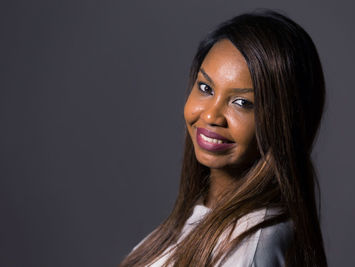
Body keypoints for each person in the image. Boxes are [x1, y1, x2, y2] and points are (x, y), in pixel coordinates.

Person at [120, 9, 327, 267]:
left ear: (283, 123)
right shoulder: (198, 219)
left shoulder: (249, 247)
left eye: (242, 102)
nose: (211, 115)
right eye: (206, 88)